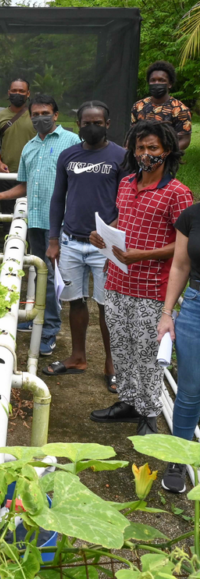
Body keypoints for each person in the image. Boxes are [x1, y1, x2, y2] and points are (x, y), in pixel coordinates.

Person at [90, 120, 192, 436]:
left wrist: (141, 255)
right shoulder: (126, 183)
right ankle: (128, 402)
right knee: (121, 348)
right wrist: (105, 236)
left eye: (153, 148)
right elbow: (125, 219)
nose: (146, 154)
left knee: (148, 355)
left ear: (167, 151)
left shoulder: (178, 193)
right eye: (140, 147)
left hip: (152, 289)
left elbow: (184, 244)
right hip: (119, 281)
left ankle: (149, 414)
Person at [0, 94, 80, 356]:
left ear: (56, 115)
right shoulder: (29, 147)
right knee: (42, 275)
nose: (40, 118)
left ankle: (49, 330)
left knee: (56, 278)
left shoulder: (71, 143)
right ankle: (40, 320)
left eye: (45, 113)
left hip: (61, 223)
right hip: (37, 221)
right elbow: (24, 186)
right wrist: (0, 196)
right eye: (35, 114)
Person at [44, 101, 128, 393]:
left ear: (107, 124)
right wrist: (54, 240)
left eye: (98, 122)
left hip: (106, 246)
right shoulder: (68, 155)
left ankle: (112, 365)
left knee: (108, 305)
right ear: (78, 124)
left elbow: (127, 201)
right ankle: (78, 357)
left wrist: (114, 232)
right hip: (71, 241)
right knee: (75, 300)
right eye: (86, 122)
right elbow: (57, 199)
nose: (92, 127)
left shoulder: (121, 156)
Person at [156, 201, 200, 492]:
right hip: (196, 307)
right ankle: (177, 458)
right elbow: (181, 265)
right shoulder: (192, 215)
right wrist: (167, 312)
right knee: (189, 390)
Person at [0, 78, 36, 208]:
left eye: (21, 91)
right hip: (7, 174)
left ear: (28, 94)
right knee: (7, 216)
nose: (17, 94)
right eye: (14, 91)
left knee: (30, 214)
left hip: (32, 174)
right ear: (9, 93)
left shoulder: (36, 116)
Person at [131, 60, 192, 151]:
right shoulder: (138, 106)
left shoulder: (180, 109)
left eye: (161, 80)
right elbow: (132, 134)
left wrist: (164, 154)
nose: (156, 83)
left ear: (170, 84)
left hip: (167, 161)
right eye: (153, 80)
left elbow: (184, 139)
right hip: (140, 158)